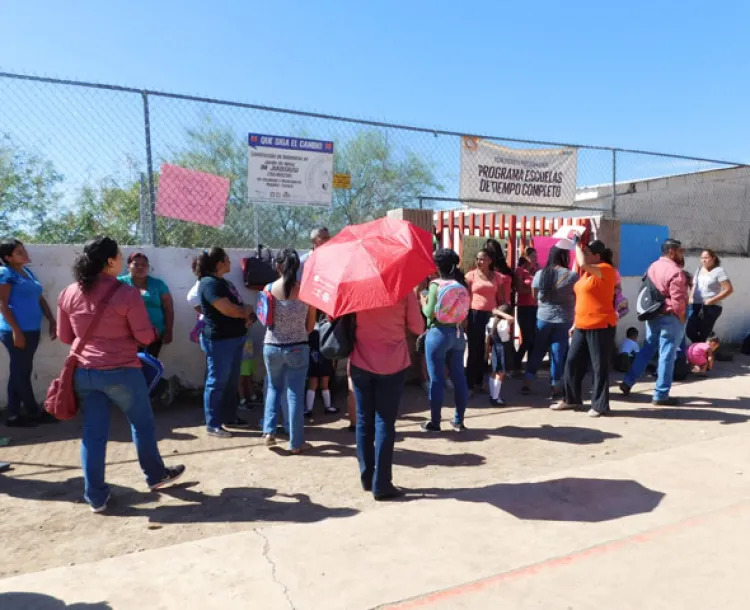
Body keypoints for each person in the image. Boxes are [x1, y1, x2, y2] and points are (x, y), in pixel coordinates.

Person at [57, 236, 185, 513]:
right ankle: (155, 475)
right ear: (110, 261)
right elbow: (144, 335)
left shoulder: (68, 293)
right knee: (141, 423)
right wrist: (148, 334)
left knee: (93, 434)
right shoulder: (126, 293)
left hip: (85, 372)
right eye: (120, 255)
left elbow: (65, 335)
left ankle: (96, 497)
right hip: (122, 371)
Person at [350, 288, 424, 501]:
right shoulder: (402, 290)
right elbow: (418, 327)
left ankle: (367, 476)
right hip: (392, 363)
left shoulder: (357, 288)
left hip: (360, 360)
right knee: (385, 422)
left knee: (364, 420)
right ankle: (381, 483)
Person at [552, 240, 618, 417]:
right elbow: (583, 299)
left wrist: (576, 247)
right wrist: (575, 322)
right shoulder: (587, 275)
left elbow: (582, 263)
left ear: (597, 256)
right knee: (572, 362)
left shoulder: (606, 269)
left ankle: (600, 405)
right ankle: (570, 398)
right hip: (582, 324)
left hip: (600, 324)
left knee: (599, 366)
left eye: (588, 253)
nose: (585, 256)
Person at [262, 249, 317, 453]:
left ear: (277, 266)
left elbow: (264, 319)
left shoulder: (267, 289)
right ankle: (296, 442)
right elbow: (310, 328)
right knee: (295, 395)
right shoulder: (305, 292)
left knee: (273, 389)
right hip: (297, 348)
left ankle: (269, 432)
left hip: (272, 347)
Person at [620, 239, 688, 406]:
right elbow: (678, 302)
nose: (682, 254)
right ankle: (661, 394)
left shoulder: (653, 267)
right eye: (680, 251)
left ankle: (628, 381)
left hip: (653, 314)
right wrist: (681, 318)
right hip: (670, 317)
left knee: (647, 349)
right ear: (672, 252)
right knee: (667, 355)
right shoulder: (676, 272)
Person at [197, 247, 255, 438]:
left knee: (231, 381)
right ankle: (213, 424)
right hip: (220, 340)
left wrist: (247, 314)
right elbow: (228, 309)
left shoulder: (224, 283)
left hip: (235, 337)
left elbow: (237, 306)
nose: (230, 263)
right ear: (220, 263)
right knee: (217, 382)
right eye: (228, 260)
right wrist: (244, 311)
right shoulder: (209, 284)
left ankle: (229, 417)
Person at [0, 239, 58, 427]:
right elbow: (3, 305)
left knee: (19, 371)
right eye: (19, 252)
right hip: (15, 331)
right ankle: (33, 412)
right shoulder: (5, 274)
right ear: (7, 258)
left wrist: (51, 319)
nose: (24, 253)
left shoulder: (28, 272)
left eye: (23, 250)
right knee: (21, 372)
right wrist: (17, 331)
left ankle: (14, 415)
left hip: (31, 329)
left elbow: (39, 298)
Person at [420, 248, 470, 432]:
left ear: (437, 265)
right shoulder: (460, 284)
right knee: (459, 378)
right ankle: (459, 420)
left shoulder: (435, 285)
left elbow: (428, 312)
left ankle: (435, 422)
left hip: (437, 334)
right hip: (457, 334)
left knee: (436, 380)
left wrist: (422, 300)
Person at [521, 246, 578, 398]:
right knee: (558, 354)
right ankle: (555, 387)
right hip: (564, 319)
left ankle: (527, 382)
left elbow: (534, 296)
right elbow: (577, 295)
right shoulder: (572, 275)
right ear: (565, 257)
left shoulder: (540, 274)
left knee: (537, 350)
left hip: (543, 318)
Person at [465, 248, 510, 392]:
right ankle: (469, 385)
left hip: (491, 315)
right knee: (474, 349)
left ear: (490, 261)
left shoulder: (497, 277)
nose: (479, 261)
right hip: (474, 314)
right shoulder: (470, 275)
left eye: (483, 259)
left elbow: (501, 299)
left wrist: (502, 314)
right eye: (478, 259)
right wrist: (465, 318)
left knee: (487, 350)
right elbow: (465, 298)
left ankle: (480, 383)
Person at [118, 252, 173, 358]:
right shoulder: (119, 284)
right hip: (127, 337)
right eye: (136, 264)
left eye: (144, 264)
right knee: (130, 367)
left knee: (150, 366)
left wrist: (168, 331)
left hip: (155, 335)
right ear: (128, 267)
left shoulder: (158, 284)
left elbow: (168, 308)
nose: (140, 267)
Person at [686, 249, 733, 343]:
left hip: (711, 307)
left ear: (713, 258)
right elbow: (694, 285)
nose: (704, 260)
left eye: (706, 257)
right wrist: (691, 297)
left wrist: (712, 300)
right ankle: (704, 349)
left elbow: (729, 289)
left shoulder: (719, 271)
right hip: (696, 305)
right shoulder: (699, 270)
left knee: (704, 333)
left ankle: (703, 353)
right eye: (702, 258)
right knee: (690, 331)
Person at [305, 315, 338, 417]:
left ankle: (309, 409)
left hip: (314, 354)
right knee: (324, 383)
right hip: (324, 354)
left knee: (313, 383)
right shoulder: (328, 324)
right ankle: (327, 407)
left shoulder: (309, 324)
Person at [514, 248, 540, 372]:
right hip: (523, 307)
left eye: (535, 256)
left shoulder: (537, 271)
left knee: (534, 338)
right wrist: (534, 290)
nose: (534, 258)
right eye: (532, 256)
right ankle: (516, 363)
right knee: (527, 337)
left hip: (535, 306)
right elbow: (519, 290)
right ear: (526, 257)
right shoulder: (520, 271)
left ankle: (530, 367)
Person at [485, 304, 515, 406]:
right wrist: (498, 312)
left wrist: (486, 351)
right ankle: (495, 398)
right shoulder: (504, 322)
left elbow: (488, 338)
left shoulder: (491, 321)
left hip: (495, 347)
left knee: (494, 372)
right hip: (503, 347)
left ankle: (492, 395)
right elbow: (511, 318)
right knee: (500, 373)